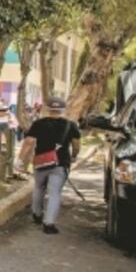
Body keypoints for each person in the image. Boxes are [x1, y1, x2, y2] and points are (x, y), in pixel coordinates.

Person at [18, 96, 80, 235]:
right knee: (54, 193)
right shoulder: (71, 125)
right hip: (60, 163)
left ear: (47, 109)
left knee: (39, 188)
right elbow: (76, 144)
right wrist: (74, 155)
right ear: (63, 110)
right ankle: (49, 224)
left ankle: (37, 214)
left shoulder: (38, 123)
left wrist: (20, 159)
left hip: (41, 162)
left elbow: (28, 142)